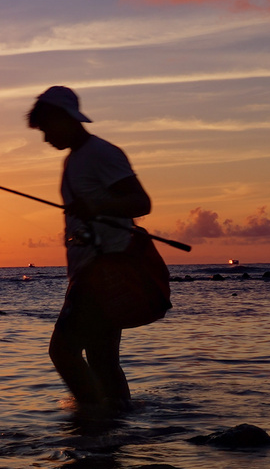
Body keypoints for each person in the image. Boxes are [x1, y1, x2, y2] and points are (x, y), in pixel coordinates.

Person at [28, 85, 166, 410]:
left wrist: (95, 205)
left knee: (62, 352)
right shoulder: (74, 160)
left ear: (64, 119)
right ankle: (117, 425)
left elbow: (140, 201)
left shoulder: (102, 153)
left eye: (47, 128)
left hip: (102, 270)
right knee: (103, 359)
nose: (45, 138)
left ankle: (93, 417)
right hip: (91, 269)